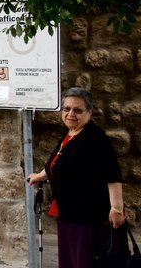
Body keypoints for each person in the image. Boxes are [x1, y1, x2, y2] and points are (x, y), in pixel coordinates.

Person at [27, 87, 125, 268]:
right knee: (70, 260)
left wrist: (117, 209)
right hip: (69, 213)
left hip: (88, 216)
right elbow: (57, 162)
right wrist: (40, 176)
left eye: (77, 110)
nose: (70, 114)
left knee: (85, 262)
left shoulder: (96, 139)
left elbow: (112, 174)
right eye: (67, 109)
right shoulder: (70, 134)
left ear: (89, 112)